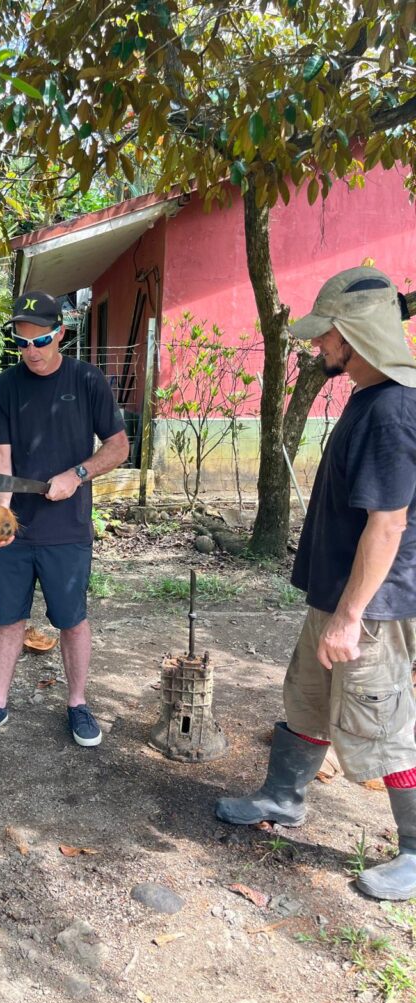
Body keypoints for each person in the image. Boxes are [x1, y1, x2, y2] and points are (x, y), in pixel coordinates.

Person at [215, 266, 416, 901]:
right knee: (306, 695)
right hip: (339, 596)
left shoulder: (394, 411)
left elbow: (388, 525)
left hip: (372, 605)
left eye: (326, 334)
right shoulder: (368, 393)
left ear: (355, 333)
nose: (317, 346)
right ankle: (283, 795)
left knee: (381, 722)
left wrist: (352, 615)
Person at [0, 290, 129, 747]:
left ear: (62, 335)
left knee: (71, 619)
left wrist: (78, 474)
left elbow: (118, 446)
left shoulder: (88, 380)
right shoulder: (3, 389)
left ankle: (77, 704)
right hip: (19, 528)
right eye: (21, 342)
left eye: (41, 341)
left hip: (67, 527)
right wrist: (0, 514)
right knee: (8, 618)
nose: (31, 351)